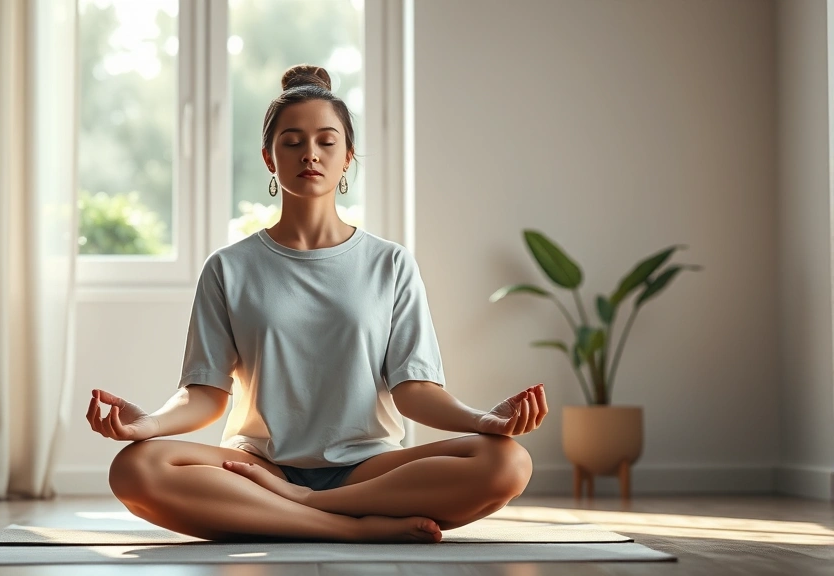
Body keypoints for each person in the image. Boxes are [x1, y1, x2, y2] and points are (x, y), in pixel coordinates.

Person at [87, 64, 548, 544]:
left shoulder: (390, 263)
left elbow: (415, 390)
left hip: (368, 470)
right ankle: (350, 529)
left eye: (327, 142)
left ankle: (305, 507)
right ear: (269, 158)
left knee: (507, 462)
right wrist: (149, 423)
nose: (310, 154)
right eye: (292, 142)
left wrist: (484, 420)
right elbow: (204, 394)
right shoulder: (228, 267)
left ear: (347, 156)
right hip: (257, 467)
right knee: (136, 468)